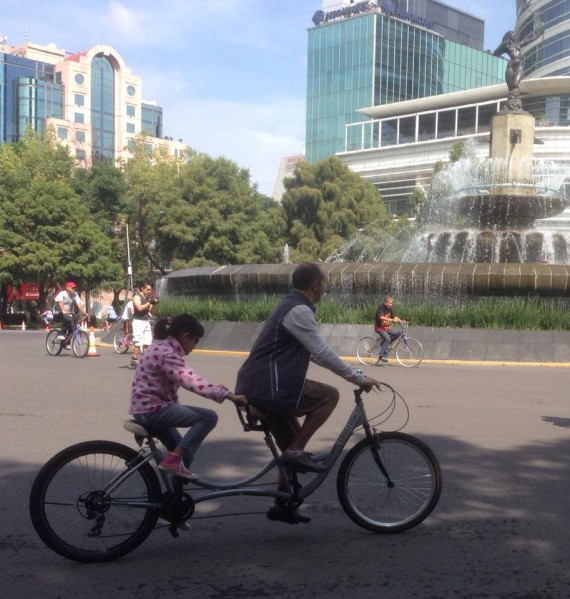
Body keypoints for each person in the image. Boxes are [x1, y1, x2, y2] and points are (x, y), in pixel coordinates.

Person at [235, 263, 379, 524]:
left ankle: (282, 503)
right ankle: (297, 451)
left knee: (291, 447)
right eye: (323, 283)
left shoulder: (291, 305)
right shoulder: (299, 310)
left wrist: (352, 370)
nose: (325, 288)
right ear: (315, 284)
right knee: (329, 396)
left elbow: (314, 353)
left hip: (259, 385)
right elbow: (321, 352)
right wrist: (357, 378)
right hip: (269, 386)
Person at [129, 314, 247, 482]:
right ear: (186, 337)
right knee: (208, 417)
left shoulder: (160, 347)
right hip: (153, 410)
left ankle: (174, 495)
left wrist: (215, 388)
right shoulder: (166, 353)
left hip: (146, 408)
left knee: (185, 454)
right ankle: (173, 461)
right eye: (195, 341)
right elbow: (191, 381)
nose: (195, 347)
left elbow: (191, 378)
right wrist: (228, 396)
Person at [493, 26, 543, 111]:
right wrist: (503, 44)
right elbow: (495, 53)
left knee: (515, 84)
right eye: (513, 35)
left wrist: (538, 34)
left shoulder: (519, 44)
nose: (515, 36)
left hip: (519, 66)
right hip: (510, 66)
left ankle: (515, 103)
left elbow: (529, 40)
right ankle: (511, 104)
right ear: (509, 36)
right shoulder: (506, 46)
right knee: (511, 87)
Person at [130, 282, 156, 369]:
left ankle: (146, 360)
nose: (149, 291)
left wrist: (153, 304)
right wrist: (149, 302)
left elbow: (149, 312)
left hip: (146, 321)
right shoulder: (136, 297)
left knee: (148, 341)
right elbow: (139, 308)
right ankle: (134, 360)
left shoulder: (147, 298)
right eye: (148, 289)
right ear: (142, 288)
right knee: (138, 341)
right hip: (138, 321)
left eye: (150, 289)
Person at [374, 295, 403, 362]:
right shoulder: (381, 308)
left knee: (398, 334)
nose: (391, 305)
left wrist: (401, 321)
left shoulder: (390, 309)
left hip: (386, 328)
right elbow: (381, 317)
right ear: (385, 303)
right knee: (387, 339)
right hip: (379, 328)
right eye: (390, 303)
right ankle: (381, 356)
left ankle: (386, 344)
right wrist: (392, 320)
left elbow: (394, 317)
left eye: (391, 303)